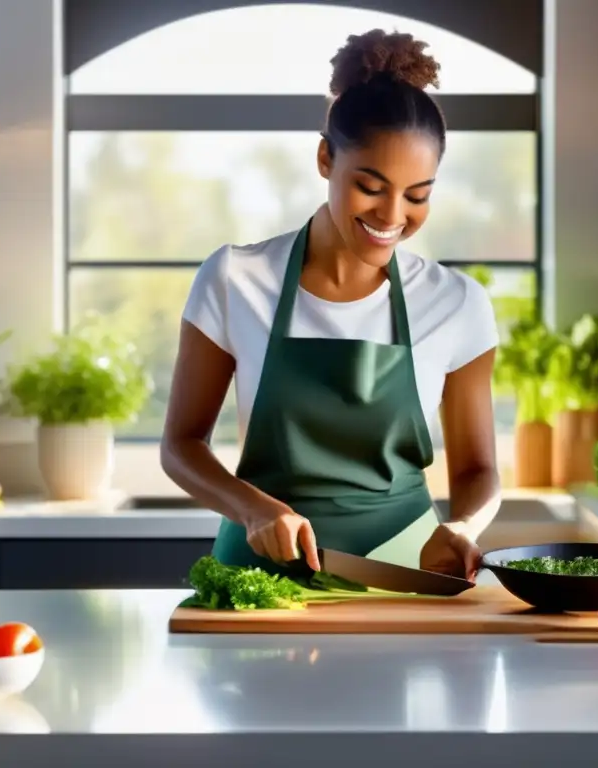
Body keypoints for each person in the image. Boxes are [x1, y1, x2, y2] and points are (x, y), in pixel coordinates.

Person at [161, 29, 502, 582]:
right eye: (371, 186)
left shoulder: (456, 302)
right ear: (325, 158)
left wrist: (465, 526)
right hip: (261, 577)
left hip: (407, 575)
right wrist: (253, 507)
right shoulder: (235, 278)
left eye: (418, 195)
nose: (393, 214)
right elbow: (180, 446)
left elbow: (479, 469)